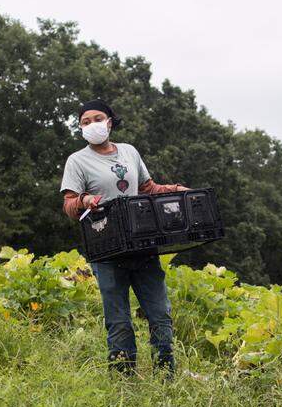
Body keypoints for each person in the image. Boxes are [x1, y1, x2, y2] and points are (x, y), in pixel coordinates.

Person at [61, 99, 188, 376]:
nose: (91, 125)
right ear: (80, 128)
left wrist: (177, 189)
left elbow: (147, 188)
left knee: (160, 315)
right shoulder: (77, 161)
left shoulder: (129, 152)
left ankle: (166, 376)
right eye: (85, 122)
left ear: (109, 121)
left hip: (142, 245)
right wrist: (85, 200)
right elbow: (69, 204)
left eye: (97, 118)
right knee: (118, 321)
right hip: (107, 249)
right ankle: (123, 381)